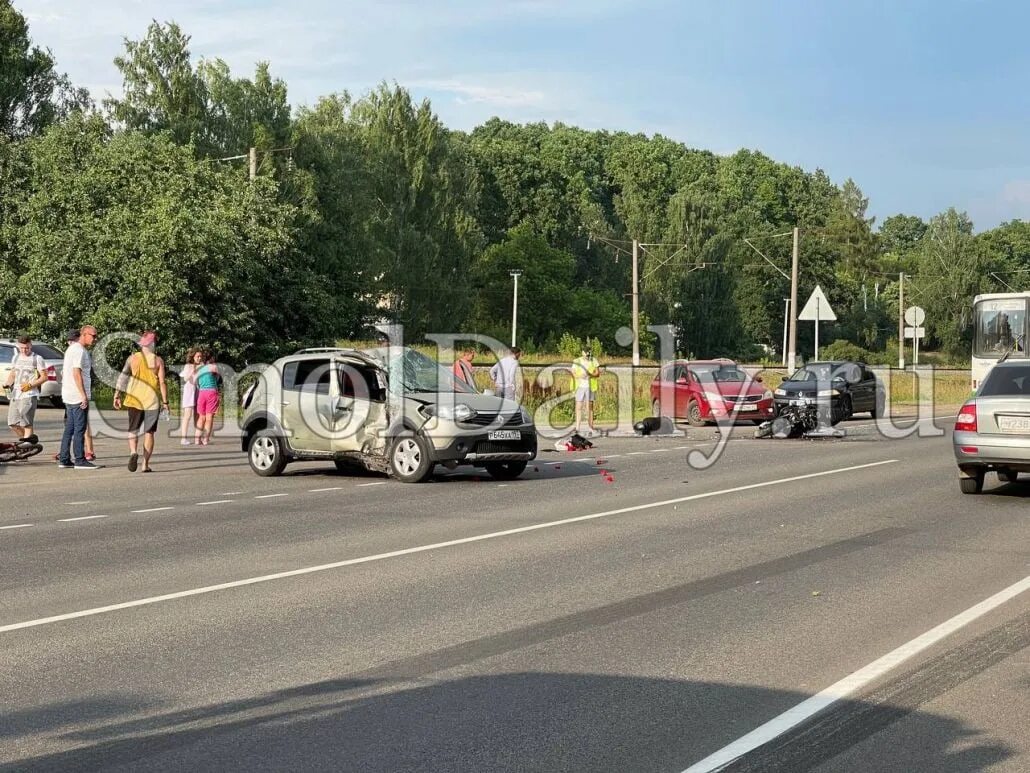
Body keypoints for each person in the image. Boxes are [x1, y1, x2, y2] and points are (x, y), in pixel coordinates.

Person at [113, 331, 169, 473]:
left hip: (134, 399)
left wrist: (117, 394)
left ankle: (133, 452)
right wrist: (165, 402)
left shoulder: (132, 358)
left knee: (133, 429)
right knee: (149, 433)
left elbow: (123, 377)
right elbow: (162, 383)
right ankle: (145, 464)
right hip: (151, 401)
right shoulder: (158, 361)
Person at [57, 325, 101, 470]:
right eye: (93, 336)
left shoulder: (73, 349)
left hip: (69, 394)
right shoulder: (79, 351)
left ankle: (64, 459)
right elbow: (77, 373)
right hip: (77, 395)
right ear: (83, 334)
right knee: (79, 429)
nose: (95, 339)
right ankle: (80, 460)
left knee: (69, 428)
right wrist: (83, 395)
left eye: (95, 336)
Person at [4, 335, 47, 444]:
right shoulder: (16, 357)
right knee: (12, 423)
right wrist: (7, 384)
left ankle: (26, 447)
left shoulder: (37, 358)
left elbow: (44, 377)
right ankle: (29, 441)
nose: (24, 350)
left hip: (29, 394)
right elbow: (13, 374)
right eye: (22, 348)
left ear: (30, 345)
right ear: (18, 346)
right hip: (16, 394)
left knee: (26, 422)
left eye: (27, 348)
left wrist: (30, 385)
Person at [572, 347, 602, 434]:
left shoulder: (594, 360)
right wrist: (580, 376)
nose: (587, 354)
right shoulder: (577, 361)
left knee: (590, 407)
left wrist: (590, 374)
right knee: (579, 407)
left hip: (590, 386)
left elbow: (597, 373)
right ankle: (577, 427)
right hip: (580, 386)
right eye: (585, 352)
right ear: (582, 352)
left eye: (588, 352)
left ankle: (591, 427)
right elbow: (573, 372)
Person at [194, 351, 221, 446]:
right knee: (209, 418)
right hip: (212, 392)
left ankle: (197, 440)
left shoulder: (198, 369)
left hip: (201, 392)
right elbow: (217, 379)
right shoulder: (213, 367)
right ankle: (205, 439)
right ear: (211, 359)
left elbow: (196, 382)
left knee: (201, 417)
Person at [178, 347, 203, 445]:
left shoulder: (201, 366)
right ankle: (183, 438)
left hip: (198, 390)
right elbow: (185, 378)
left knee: (198, 415)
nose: (199, 358)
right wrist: (193, 370)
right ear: (193, 357)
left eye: (201, 356)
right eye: (198, 356)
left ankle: (198, 438)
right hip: (189, 391)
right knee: (187, 415)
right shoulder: (188, 366)